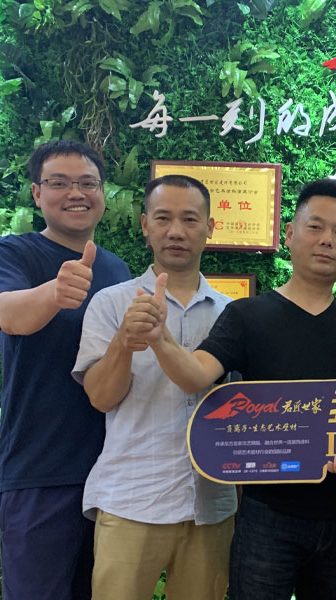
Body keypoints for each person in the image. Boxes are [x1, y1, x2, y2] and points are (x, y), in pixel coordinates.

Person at [131, 178, 336, 600]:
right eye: (315, 227)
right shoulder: (246, 316)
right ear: (290, 233)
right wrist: (161, 339)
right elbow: (196, 374)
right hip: (268, 515)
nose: (327, 240)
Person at [71, 175, 236, 599]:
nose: (176, 231)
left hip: (211, 505)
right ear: (145, 225)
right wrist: (124, 342)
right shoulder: (112, 303)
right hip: (131, 499)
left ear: (210, 227)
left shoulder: (234, 314)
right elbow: (100, 398)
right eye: (163, 218)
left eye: (190, 219)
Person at [0, 140, 131, 600]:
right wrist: (54, 292)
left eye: (88, 183)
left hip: (109, 472)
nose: (76, 193)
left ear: (102, 192)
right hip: (40, 469)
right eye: (59, 183)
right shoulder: (13, 253)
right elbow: (9, 315)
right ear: (36, 192)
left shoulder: (117, 269)